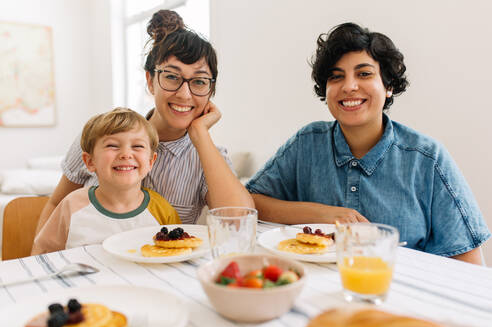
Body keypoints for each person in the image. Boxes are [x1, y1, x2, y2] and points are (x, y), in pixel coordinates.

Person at [246, 23, 490, 264]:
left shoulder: (427, 158)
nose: (349, 86)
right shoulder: (306, 143)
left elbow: (470, 266)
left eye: (364, 74)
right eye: (336, 76)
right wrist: (323, 214)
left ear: (389, 86)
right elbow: (248, 202)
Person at [35, 10, 253, 233]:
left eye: (199, 81)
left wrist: (200, 134)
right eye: (171, 76)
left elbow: (239, 221)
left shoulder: (208, 156)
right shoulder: (101, 135)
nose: (185, 94)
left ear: (210, 90)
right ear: (150, 81)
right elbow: (56, 204)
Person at [32, 108, 181, 254]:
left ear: (150, 162)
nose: (126, 154)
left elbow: (177, 254)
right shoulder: (72, 205)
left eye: (137, 146)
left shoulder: (162, 211)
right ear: (90, 161)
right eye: (112, 146)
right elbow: (43, 253)